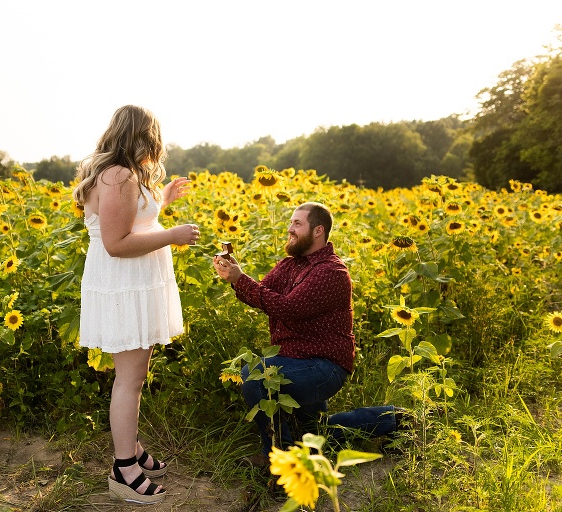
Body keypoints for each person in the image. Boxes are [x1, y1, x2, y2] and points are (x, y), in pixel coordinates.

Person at [72, 105, 199, 504]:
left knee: (135, 376)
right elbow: (116, 243)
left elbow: (132, 218)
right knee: (129, 380)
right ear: (143, 136)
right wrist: (172, 236)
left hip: (134, 284)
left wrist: (162, 197)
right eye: (153, 137)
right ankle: (124, 469)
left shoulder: (121, 173)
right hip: (124, 284)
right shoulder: (118, 176)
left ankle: (131, 446)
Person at [212, 201, 401, 463]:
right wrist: (234, 277)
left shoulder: (331, 271)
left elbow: (288, 308)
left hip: (323, 368)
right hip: (294, 361)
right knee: (315, 435)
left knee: (254, 376)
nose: (290, 229)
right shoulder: (290, 265)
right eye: (290, 222)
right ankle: (395, 418)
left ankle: (280, 458)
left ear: (318, 231)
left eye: (297, 224)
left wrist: (240, 279)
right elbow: (260, 295)